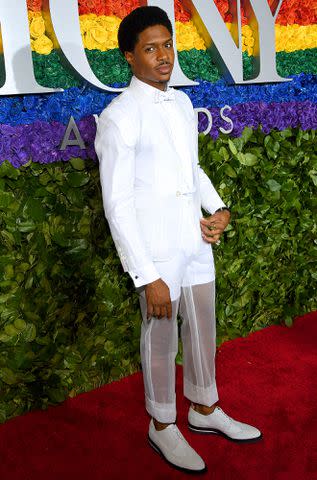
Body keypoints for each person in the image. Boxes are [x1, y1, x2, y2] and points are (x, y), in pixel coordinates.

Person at [95, 6, 262, 474]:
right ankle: (162, 424)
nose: (163, 56)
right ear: (129, 56)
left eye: (167, 45)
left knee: (204, 330)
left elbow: (193, 169)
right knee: (161, 336)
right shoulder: (119, 117)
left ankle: (205, 410)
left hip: (195, 243)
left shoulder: (184, 103)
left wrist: (219, 208)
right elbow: (117, 204)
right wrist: (147, 275)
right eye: (150, 48)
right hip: (157, 254)